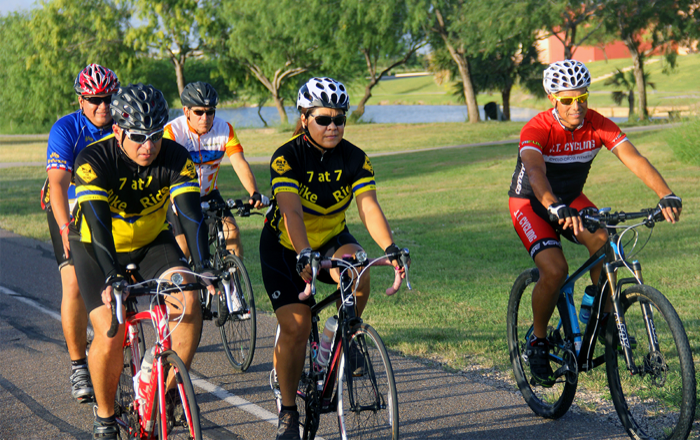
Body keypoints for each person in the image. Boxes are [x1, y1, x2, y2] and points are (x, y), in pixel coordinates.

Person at [507, 60, 682, 388]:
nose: (577, 106)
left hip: (571, 199)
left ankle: (595, 311)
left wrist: (666, 194)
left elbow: (634, 158)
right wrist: (553, 206)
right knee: (555, 270)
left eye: (583, 97)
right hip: (531, 203)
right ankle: (538, 342)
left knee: (607, 245)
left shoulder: (597, 124)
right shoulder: (536, 128)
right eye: (568, 100)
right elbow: (535, 173)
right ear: (552, 98)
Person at [260, 77, 408, 440]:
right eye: (323, 119)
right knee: (296, 327)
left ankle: (348, 332)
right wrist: (303, 254)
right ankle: (289, 413)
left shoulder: (355, 157)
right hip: (285, 247)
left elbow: (368, 206)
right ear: (305, 117)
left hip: (330, 240)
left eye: (339, 119)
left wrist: (390, 247)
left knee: (358, 265)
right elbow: (292, 213)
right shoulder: (287, 157)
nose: (333, 126)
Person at [69, 83, 214, 439]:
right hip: (96, 247)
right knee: (110, 329)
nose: (148, 146)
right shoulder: (93, 160)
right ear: (117, 130)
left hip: (151, 242)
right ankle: (104, 419)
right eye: (137, 137)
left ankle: (165, 390)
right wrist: (112, 276)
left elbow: (191, 215)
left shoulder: (176, 156)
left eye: (154, 136)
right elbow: (99, 225)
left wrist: (205, 265)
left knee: (189, 298)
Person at [42, 63, 120, 404]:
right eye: (94, 100)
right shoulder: (66, 128)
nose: (103, 106)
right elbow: (58, 185)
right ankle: (78, 365)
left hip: (109, 203)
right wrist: (64, 228)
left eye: (108, 99)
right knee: (73, 282)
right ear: (80, 100)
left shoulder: (124, 123)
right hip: (68, 205)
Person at [164, 81, 268, 259]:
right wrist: (176, 201)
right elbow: (167, 171)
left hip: (209, 193)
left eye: (210, 111)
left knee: (232, 233)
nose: (205, 117)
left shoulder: (224, 129)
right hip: (177, 194)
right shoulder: (173, 132)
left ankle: (232, 286)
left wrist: (254, 192)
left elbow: (239, 162)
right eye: (199, 112)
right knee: (183, 247)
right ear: (186, 111)